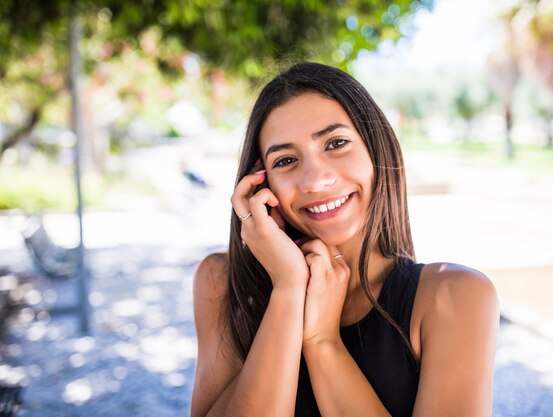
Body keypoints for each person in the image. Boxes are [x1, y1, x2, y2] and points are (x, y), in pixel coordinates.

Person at [190, 62, 499, 417]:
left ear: (376, 149)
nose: (315, 179)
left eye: (336, 143)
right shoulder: (221, 282)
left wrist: (323, 343)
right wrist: (288, 289)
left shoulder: (454, 295)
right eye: (286, 160)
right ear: (261, 184)